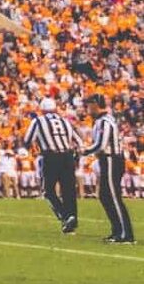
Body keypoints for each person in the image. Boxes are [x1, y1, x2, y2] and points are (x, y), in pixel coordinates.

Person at [25, 97, 84, 234]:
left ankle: (65, 216)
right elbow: (79, 141)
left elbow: (28, 139)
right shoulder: (64, 121)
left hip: (51, 156)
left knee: (48, 190)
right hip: (67, 156)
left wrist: (31, 149)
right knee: (69, 190)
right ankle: (72, 220)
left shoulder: (38, 121)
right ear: (55, 109)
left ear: (42, 110)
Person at [84, 95, 134, 244]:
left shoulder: (105, 121)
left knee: (113, 196)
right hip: (106, 160)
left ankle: (126, 234)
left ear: (95, 105)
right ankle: (117, 230)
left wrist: (84, 151)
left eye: (89, 105)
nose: (88, 109)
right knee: (105, 196)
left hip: (112, 159)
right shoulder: (100, 121)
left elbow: (101, 144)